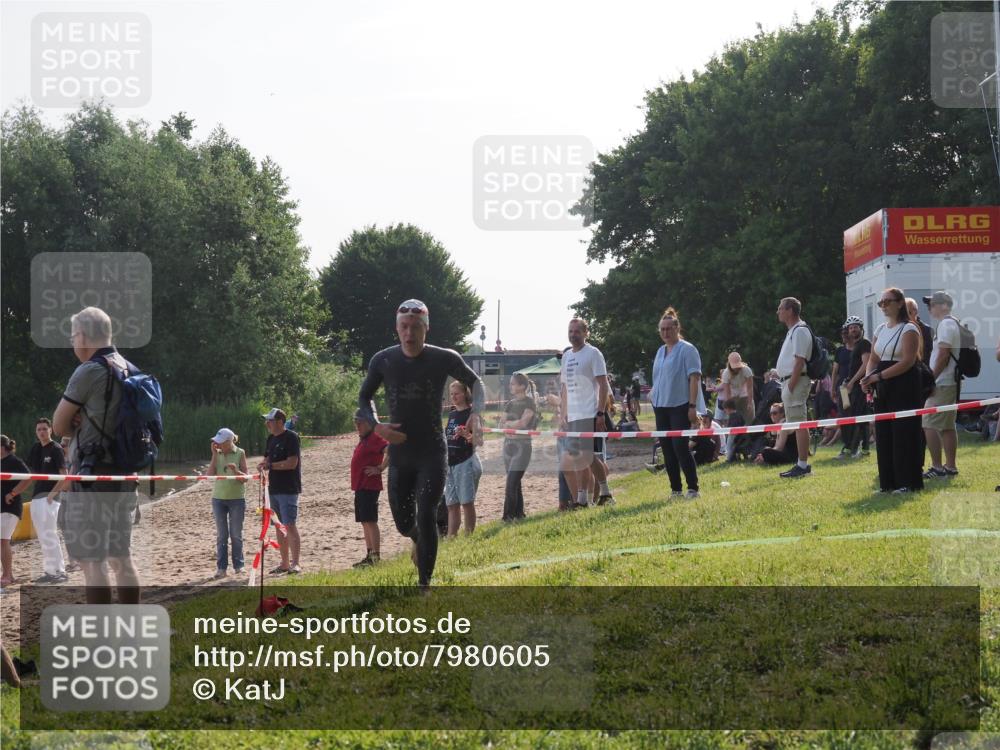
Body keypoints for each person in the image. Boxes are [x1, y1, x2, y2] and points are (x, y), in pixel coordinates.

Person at [357, 299, 483, 589]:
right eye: (404, 327)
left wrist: (476, 413)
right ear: (396, 328)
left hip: (432, 451)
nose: (409, 333)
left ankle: (425, 584)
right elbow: (364, 397)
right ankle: (417, 539)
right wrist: (377, 426)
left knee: (426, 513)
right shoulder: (383, 360)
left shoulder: (443, 358)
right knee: (404, 524)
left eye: (415, 327)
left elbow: (476, 383)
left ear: (426, 329)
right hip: (400, 453)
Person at [861, 287, 924, 493]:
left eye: (887, 301)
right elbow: (874, 358)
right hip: (883, 385)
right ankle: (887, 483)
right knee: (884, 432)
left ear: (899, 303)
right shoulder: (880, 329)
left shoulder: (909, 328)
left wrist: (878, 376)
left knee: (903, 432)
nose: (883, 306)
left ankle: (907, 482)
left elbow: (908, 361)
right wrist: (868, 378)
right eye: (881, 302)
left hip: (904, 384)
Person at [650, 307, 705, 498]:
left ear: (677, 328)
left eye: (669, 329)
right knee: (666, 449)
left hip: (680, 405)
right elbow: (659, 378)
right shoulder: (660, 351)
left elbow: (694, 378)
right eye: (662, 329)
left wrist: (692, 406)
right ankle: (675, 490)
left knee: (680, 447)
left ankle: (693, 488)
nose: (665, 332)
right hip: (660, 406)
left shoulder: (688, 349)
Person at [559, 318, 613, 508]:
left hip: (589, 412)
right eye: (570, 331)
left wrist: (600, 413)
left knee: (587, 456)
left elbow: (603, 385)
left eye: (577, 331)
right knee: (578, 458)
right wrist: (563, 413)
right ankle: (582, 499)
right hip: (573, 415)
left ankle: (605, 493)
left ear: (585, 333)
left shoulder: (593, 353)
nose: (573, 335)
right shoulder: (566, 356)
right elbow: (564, 388)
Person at [257, 407, 302, 574]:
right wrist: (263, 464)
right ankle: (284, 563)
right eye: (267, 421)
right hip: (273, 489)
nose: (266, 423)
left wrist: (270, 466)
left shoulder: (292, 437)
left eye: (269, 421)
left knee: (289, 525)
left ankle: (295, 563)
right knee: (278, 526)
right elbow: (267, 458)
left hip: (288, 488)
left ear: (280, 422)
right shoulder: (271, 438)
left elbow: (292, 463)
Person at [922, 292, 961, 479]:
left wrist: (931, 379)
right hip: (950, 381)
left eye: (932, 304)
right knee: (947, 426)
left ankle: (937, 467)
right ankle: (950, 466)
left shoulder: (946, 324)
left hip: (942, 382)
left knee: (928, 423)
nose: (929, 307)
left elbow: (943, 355)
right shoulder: (954, 322)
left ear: (944, 305)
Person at [774, 297, 813, 478]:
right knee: (797, 423)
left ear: (790, 310)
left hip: (795, 383)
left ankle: (803, 465)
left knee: (799, 423)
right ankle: (800, 463)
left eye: (780, 308)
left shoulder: (800, 330)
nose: (778, 311)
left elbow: (799, 361)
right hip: (790, 382)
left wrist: (790, 386)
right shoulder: (794, 331)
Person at [26, 418, 68, 583]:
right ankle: (50, 571)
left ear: (50, 430)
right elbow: (29, 471)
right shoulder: (36, 448)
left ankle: (60, 571)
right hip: (36, 496)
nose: (42, 432)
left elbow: (64, 475)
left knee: (50, 534)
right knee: (42, 536)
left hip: (50, 498)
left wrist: (52, 495)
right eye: (39, 430)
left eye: (44, 429)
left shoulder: (56, 449)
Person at [207, 427, 249, 578]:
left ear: (229, 442)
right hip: (218, 499)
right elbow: (209, 476)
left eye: (220, 442)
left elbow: (245, 478)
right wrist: (214, 455)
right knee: (222, 535)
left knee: (236, 534)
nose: (217, 444)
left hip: (237, 499)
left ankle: (239, 566)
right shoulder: (217, 454)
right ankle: (221, 568)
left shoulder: (240, 452)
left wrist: (236, 471)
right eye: (216, 442)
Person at [351, 408, 388, 566]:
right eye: (356, 422)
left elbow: (391, 450)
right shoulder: (365, 438)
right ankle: (370, 554)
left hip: (369, 486)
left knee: (370, 521)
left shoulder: (374, 437)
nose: (357, 425)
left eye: (360, 422)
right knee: (364, 521)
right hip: (360, 486)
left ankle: (375, 557)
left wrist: (380, 468)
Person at [445, 381, 482, 535]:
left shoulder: (472, 414)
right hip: (450, 463)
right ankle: (451, 537)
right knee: (451, 504)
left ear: (465, 394)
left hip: (465, 461)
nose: (453, 397)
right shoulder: (452, 414)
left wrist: (466, 434)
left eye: (457, 393)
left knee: (466, 502)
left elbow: (479, 441)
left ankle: (468, 536)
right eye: (451, 394)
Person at [501, 373, 536, 521]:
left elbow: (523, 423)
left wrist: (509, 425)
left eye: (513, 383)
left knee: (511, 483)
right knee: (515, 483)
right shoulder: (509, 404)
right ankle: (519, 514)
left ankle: (507, 517)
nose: (510, 386)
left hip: (523, 446)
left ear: (522, 386)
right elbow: (501, 424)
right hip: (508, 445)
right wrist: (510, 425)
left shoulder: (529, 402)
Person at [837, 316, 871, 460]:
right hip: (849, 387)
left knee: (858, 417)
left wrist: (852, 382)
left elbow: (866, 365)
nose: (853, 330)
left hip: (859, 386)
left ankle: (856, 448)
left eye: (856, 327)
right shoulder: (855, 346)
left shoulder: (864, 344)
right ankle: (852, 447)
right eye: (850, 328)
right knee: (849, 416)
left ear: (861, 329)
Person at [1, 436, 30, 587]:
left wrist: (12, 493)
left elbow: (28, 478)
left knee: (3, 540)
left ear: (2, 447)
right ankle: (9, 575)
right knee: (2, 540)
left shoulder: (13, 460)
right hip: (2, 508)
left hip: (10, 507)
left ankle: (7, 575)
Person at [720, 352, 755, 425]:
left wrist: (750, 402)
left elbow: (750, 388)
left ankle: (749, 431)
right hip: (733, 398)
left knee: (750, 420)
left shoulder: (747, 370)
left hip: (746, 396)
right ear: (730, 365)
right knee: (735, 421)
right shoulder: (726, 373)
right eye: (735, 366)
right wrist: (729, 406)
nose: (737, 368)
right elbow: (727, 392)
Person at [905, 297, 933, 365]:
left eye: (908, 312)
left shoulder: (927, 330)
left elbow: (928, 353)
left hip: (920, 367)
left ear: (916, 311)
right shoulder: (899, 328)